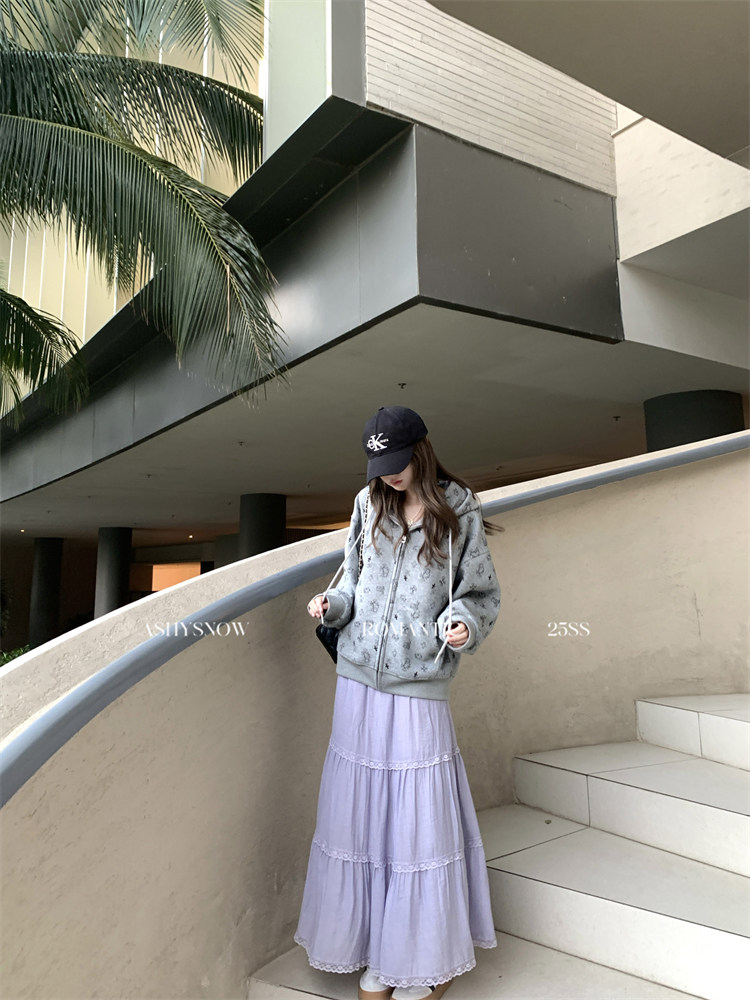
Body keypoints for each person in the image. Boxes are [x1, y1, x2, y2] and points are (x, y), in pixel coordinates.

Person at [294, 406, 502, 1000]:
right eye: (380, 465)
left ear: (421, 451)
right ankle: (372, 948)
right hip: (358, 677)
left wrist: (462, 624)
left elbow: (479, 592)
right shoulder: (368, 504)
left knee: (418, 818)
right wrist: (331, 606)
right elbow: (351, 581)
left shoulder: (458, 508)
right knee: (359, 816)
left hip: (419, 679)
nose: (389, 474)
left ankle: (420, 957)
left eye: (397, 462)